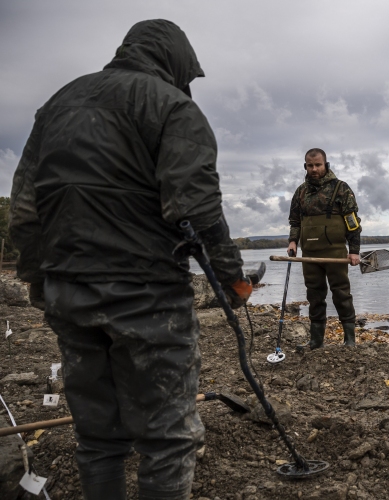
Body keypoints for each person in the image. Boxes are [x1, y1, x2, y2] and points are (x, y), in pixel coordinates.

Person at [9, 20, 252, 500]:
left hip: (68, 291)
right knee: (168, 438)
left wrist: (39, 280)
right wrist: (231, 280)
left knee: (98, 437)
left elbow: (25, 208)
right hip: (146, 294)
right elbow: (197, 209)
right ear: (176, 61)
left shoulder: (57, 105)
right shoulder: (173, 107)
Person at [287, 148, 362, 348]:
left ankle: (350, 339)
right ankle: (316, 340)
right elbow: (295, 221)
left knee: (341, 293)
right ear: (305, 166)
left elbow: (353, 223)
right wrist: (293, 241)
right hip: (309, 254)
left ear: (325, 165)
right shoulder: (301, 192)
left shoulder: (341, 188)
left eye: (318, 165)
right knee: (314, 295)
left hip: (335, 252)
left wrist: (354, 250)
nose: (314, 169)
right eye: (310, 165)